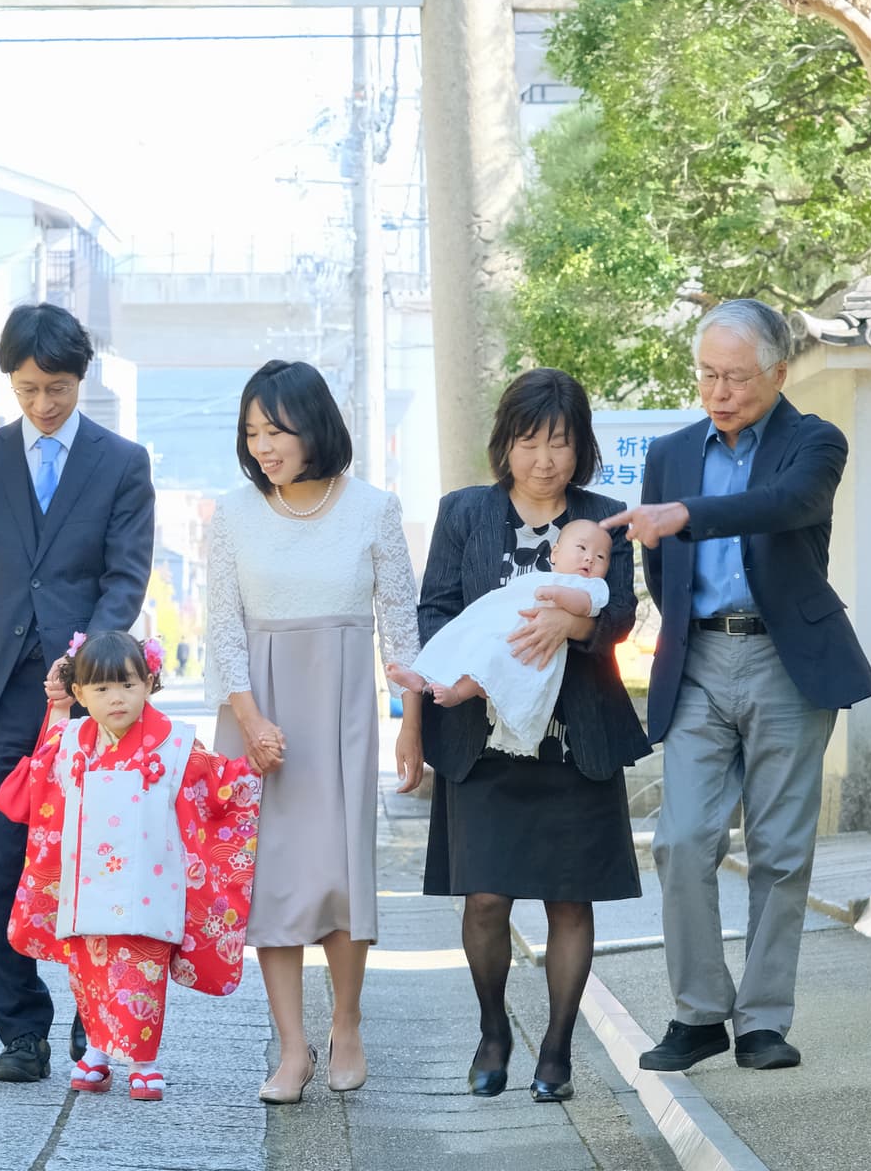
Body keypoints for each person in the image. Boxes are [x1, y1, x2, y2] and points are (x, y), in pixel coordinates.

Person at [601, 299, 871, 1073]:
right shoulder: (671, 452)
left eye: (736, 377)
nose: (719, 392)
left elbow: (789, 506)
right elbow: (662, 571)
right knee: (682, 839)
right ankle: (697, 1014)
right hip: (698, 662)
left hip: (786, 660)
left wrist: (686, 513)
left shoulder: (812, 442)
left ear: (778, 374)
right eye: (707, 375)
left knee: (780, 852)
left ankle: (762, 1020)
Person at [400, 369, 650, 1104]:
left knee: (572, 901)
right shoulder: (464, 514)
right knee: (485, 900)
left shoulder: (607, 517)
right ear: (505, 444)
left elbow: (622, 616)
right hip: (482, 739)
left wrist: (574, 622)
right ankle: (492, 1029)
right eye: (530, 440)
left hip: (575, 742)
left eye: (562, 442)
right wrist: (415, 723)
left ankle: (557, 1050)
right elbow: (434, 615)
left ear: (582, 447)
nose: (546, 459)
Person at [0, 302, 156, 1084]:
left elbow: (124, 577)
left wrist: (86, 665)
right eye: (27, 388)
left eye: (57, 387)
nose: (42, 404)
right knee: (3, 867)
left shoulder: (122, 462)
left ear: (79, 380)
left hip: (91, 703)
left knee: (91, 866)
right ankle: (21, 1032)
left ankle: (92, 1023)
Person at [205, 359, 419, 1104]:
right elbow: (223, 630)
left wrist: (411, 727)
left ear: (315, 427)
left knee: (340, 872)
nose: (264, 446)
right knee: (270, 883)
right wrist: (251, 720)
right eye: (252, 432)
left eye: (278, 430)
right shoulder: (231, 513)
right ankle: (292, 1049)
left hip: (341, 711)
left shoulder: (372, 509)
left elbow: (401, 627)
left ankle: (348, 1025)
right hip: (254, 711)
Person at [0, 630, 262, 1103]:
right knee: (88, 967)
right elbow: (36, 786)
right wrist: (55, 713)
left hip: (148, 882)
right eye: (100, 689)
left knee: (143, 969)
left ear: (150, 683)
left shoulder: (177, 744)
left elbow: (220, 784)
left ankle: (143, 1061)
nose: (116, 699)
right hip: (86, 881)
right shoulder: (71, 740)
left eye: (128, 685)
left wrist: (254, 768)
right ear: (79, 694)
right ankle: (97, 1050)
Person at [391, 518, 612, 758]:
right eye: (581, 548)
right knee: (458, 637)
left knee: (492, 660)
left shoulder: (591, 586)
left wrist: (559, 595)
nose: (590, 558)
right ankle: (421, 676)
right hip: (495, 628)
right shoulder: (537, 577)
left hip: (525, 646)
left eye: (601, 557)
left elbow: (586, 606)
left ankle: (455, 693)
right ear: (555, 553)